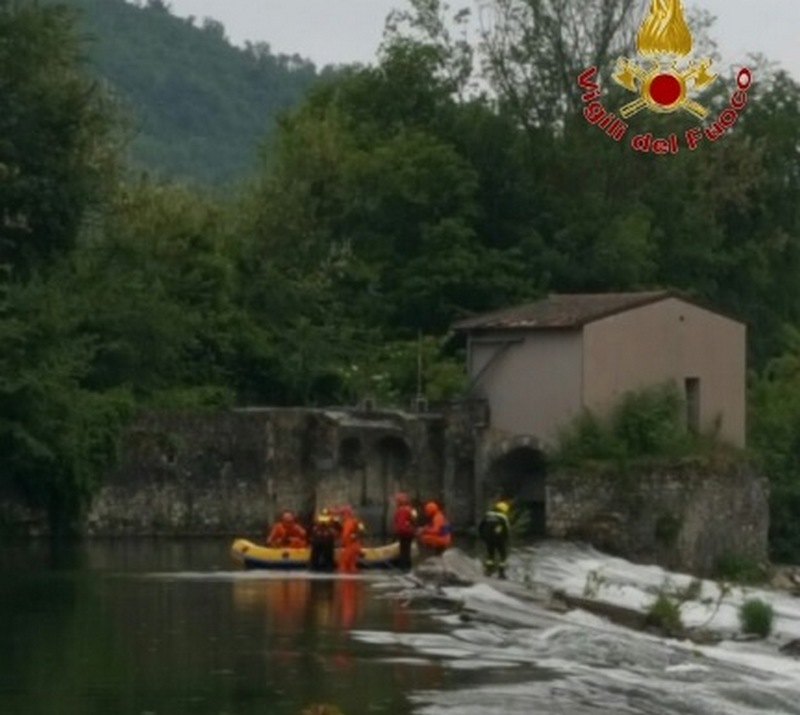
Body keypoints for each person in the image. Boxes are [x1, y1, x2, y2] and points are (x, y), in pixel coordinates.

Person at [478, 500, 511, 579]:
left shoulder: (488, 515)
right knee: (503, 555)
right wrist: (506, 539)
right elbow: (507, 529)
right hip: (499, 538)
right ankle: (501, 573)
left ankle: (488, 571)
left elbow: (480, 526)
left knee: (490, 555)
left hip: (488, 538)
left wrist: (482, 537)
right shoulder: (503, 517)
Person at [392, 492, 417, 571]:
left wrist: (397, 530)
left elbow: (400, 524)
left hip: (404, 532)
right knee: (407, 551)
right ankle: (407, 566)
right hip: (409, 532)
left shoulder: (401, 510)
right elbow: (414, 520)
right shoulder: (411, 509)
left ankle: (404, 567)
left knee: (404, 551)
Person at [309, 507, 340, 572]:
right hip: (318, 540)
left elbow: (338, 529)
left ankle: (326, 565)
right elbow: (310, 530)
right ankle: (314, 565)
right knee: (316, 555)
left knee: (328, 555)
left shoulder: (333, 521)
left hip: (327, 541)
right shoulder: (316, 522)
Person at [338, 505, 365, 574]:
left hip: (351, 544)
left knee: (346, 560)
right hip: (351, 544)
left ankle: (348, 569)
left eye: (343, 514)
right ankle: (350, 569)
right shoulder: (354, 521)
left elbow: (346, 535)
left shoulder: (350, 522)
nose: (342, 516)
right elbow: (361, 530)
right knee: (349, 561)